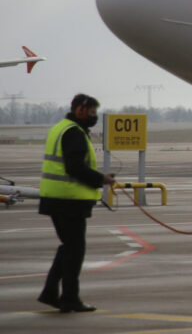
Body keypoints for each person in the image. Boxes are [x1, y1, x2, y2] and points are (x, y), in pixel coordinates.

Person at [38, 93, 116, 312]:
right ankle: (69, 298)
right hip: (68, 200)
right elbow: (74, 167)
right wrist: (101, 179)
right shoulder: (75, 133)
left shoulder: (60, 127)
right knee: (75, 251)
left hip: (56, 198)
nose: (94, 117)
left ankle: (50, 292)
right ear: (80, 111)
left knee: (68, 248)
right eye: (92, 113)